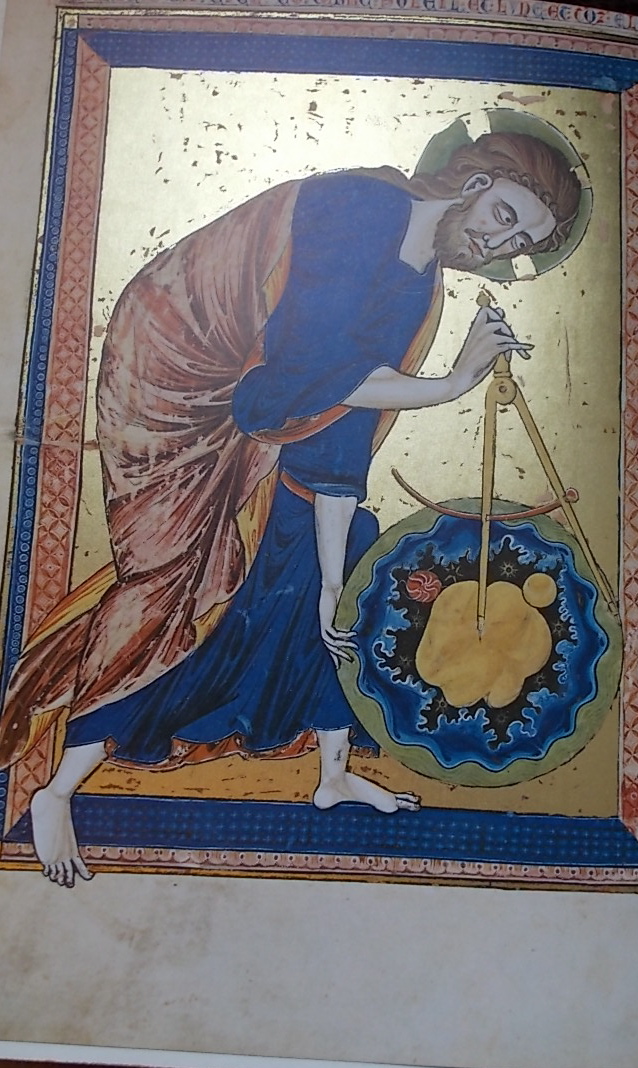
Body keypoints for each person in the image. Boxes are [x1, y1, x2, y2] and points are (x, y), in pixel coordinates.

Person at [0, 130, 581, 886]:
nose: (496, 245)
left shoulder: (418, 281)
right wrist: (448, 385)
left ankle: (332, 773)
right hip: (189, 392)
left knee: (340, 563)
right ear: (474, 183)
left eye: (517, 244)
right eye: (504, 217)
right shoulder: (360, 207)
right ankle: (57, 789)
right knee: (184, 585)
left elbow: (337, 427)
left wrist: (336, 574)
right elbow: (291, 383)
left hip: (272, 428)